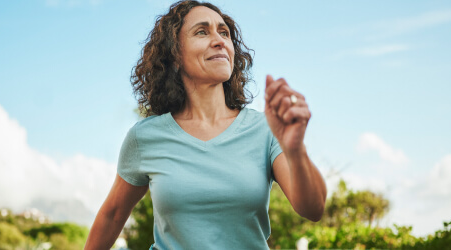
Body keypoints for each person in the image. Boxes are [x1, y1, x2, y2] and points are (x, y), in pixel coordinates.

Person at [84, 1, 327, 249]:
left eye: (224, 33)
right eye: (202, 31)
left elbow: (313, 209)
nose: (219, 40)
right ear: (175, 55)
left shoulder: (265, 129)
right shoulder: (145, 137)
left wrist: (296, 150)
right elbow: (113, 215)